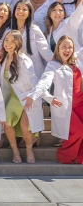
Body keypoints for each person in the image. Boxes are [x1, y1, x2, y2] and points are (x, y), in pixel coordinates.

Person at [24, 35, 83, 164]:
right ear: (58, 48)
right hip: (65, 106)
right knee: (78, 131)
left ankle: (80, 157)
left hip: (80, 103)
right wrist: (34, 95)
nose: (67, 50)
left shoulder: (78, 61)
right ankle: (65, 156)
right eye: (64, 47)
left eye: (70, 47)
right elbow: (44, 82)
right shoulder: (53, 65)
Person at [0, 30, 44, 164]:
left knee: (25, 126)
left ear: (18, 43)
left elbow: (34, 81)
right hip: (14, 98)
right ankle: (15, 151)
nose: (8, 43)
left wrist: (40, 97)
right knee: (6, 122)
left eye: (12, 41)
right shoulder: (3, 58)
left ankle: (28, 149)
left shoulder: (23, 60)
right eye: (6, 40)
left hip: (27, 97)